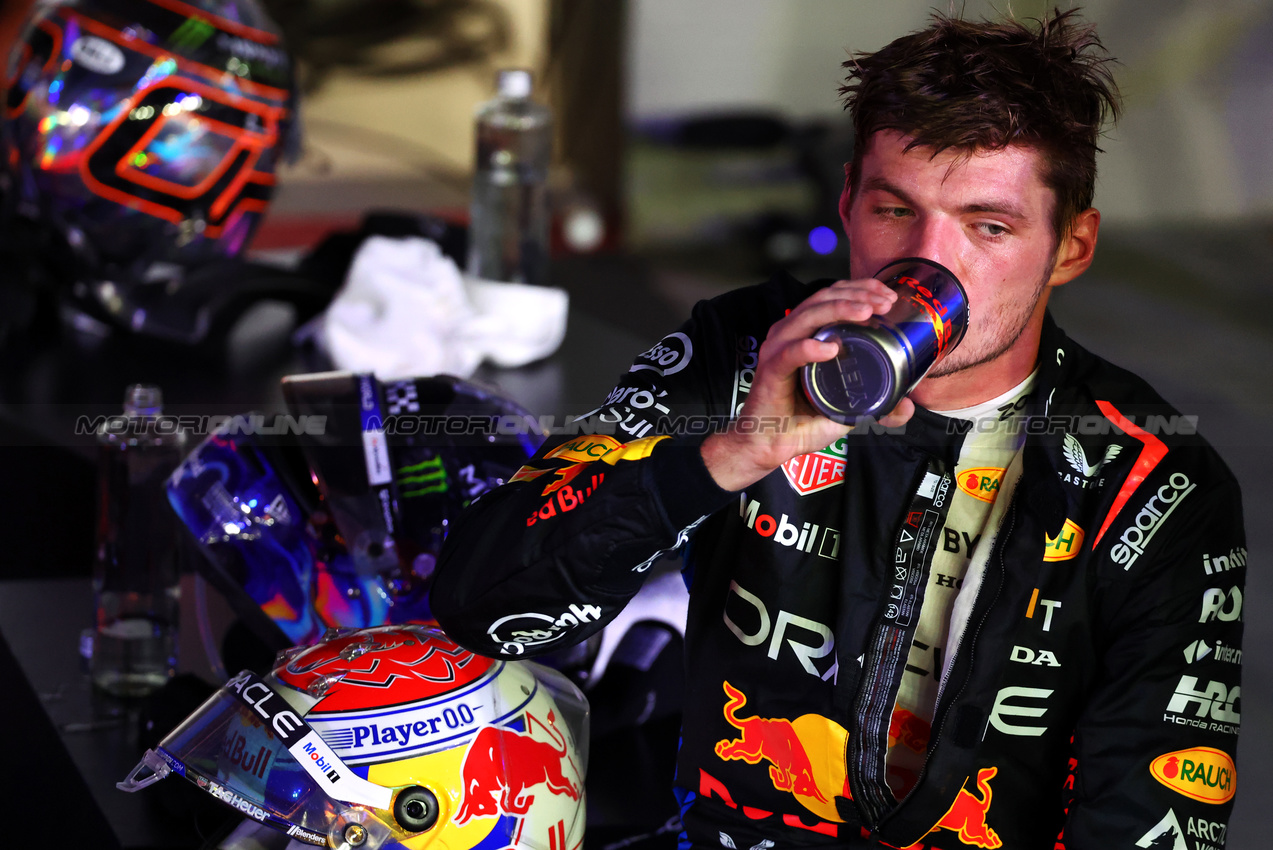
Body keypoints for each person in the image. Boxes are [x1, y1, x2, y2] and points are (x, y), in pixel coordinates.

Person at [431, 10, 1246, 849]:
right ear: (848, 200)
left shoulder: (1154, 482)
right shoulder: (743, 352)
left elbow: (1150, 813)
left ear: (1070, 247)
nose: (929, 263)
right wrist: (732, 451)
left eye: (986, 226)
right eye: (895, 210)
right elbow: (483, 608)